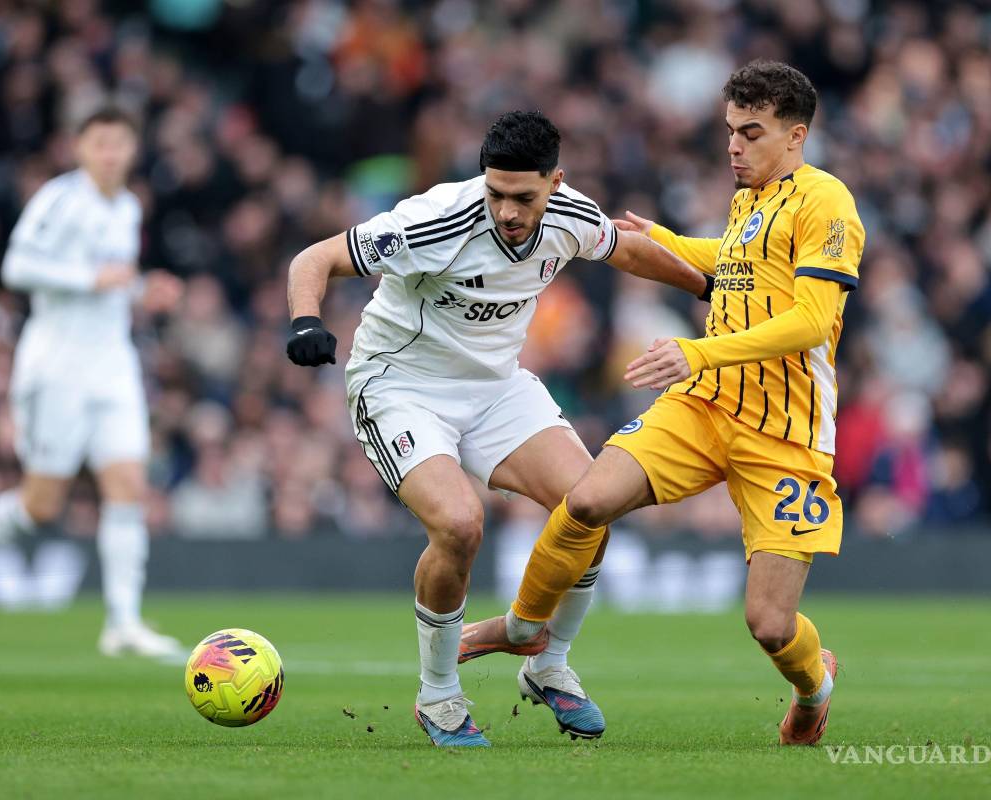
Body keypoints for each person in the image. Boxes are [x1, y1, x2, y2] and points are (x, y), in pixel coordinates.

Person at [461, 62, 865, 746]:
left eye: (751, 133)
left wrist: (698, 351)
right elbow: (737, 260)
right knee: (588, 499)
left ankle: (813, 685)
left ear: (796, 136)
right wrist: (668, 241)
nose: (733, 146)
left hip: (785, 433)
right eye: (730, 130)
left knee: (770, 625)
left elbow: (810, 320)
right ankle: (526, 629)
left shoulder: (828, 203)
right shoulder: (751, 198)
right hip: (705, 407)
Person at [285, 111, 710, 747]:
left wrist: (706, 286)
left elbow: (627, 249)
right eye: (496, 193)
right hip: (401, 384)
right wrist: (305, 321)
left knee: (592, 503)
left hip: (494, 386)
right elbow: (314, 257)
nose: (508, 211)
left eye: (524, 197)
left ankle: (548, 664)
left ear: (555, 183)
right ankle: (438, 695)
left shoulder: (570, 215)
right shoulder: (434, 220)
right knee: (460, 524)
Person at [0, 107, 186, 660]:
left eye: (119, 144)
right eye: (99, 143)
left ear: (132, 151)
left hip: (113, 363)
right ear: (80, 148)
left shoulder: (127, 207)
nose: (109, 154)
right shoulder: (59, 200)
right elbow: (15, 267)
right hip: (57, 367)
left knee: (128, 483)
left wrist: (141, 290)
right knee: (41, 504)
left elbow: (113, 281)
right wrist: (91, 278)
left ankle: (123, 621)